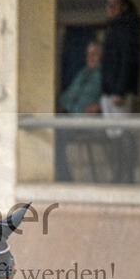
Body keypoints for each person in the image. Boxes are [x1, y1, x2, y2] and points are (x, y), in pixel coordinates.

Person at [100, 0, 140, 184]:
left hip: (118, 91)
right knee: (113, 133)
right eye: (108, 5)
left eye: (114, 5)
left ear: (124, 7)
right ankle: (117, 174)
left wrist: (120, 90)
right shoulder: (115, 28)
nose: (110, 9)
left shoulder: (126, 28)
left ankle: (126, 175)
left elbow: (127, 61)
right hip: (109, 90)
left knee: (123, 131)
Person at [54, 41, 102, 182]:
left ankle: (64, 179)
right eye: (88, 54)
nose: (90, 57)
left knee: (57, 136)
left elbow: (112, 98)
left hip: (88, 120)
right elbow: (68, 95)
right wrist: (58, 107)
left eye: (94, 53)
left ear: (101, 56)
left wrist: (99, 106)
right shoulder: (83, 72)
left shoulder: (104, 74)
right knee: (47, 130)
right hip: (70, 116)